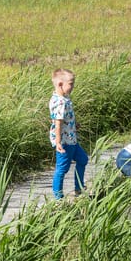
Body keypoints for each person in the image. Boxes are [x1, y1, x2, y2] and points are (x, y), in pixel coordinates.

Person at [49, 68, 88, 199]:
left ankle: (79, 188)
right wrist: (58, 142)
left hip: (71, 139)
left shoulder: (64, 99)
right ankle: (58, 197)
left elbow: (64, 119)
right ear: (60, 84)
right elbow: (58, 123)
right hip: (64, 141)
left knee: (83, 159)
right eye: (70, 83)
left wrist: (73, 124)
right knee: (62, 169)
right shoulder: (59, 102)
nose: (73, 86)